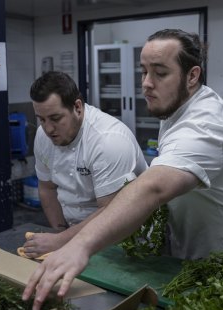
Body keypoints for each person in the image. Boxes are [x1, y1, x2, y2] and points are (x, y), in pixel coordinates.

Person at [22, 29, 223, 310]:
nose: (146, 84)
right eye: (143, 72)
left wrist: (79, 245)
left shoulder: (205, 125)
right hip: (193, 252)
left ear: (192, 76)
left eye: (160, 73)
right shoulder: (176, 109)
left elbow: (152, 187)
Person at [21, 71, 148, 258]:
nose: (48, 129)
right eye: (42, 119)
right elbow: (47, 188)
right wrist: (59, 233)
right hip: (74, 235)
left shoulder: (108, 141)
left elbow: (112, 212)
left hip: (125, 240)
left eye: (56, 119)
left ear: (78, 107)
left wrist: (59, 241)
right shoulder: (43, 136)